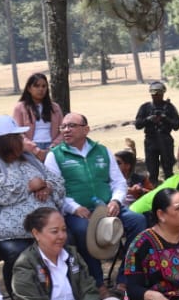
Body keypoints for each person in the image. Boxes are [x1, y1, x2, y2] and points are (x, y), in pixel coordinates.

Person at [0, 116, 65, 292]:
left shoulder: (27, 159)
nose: (22, 140)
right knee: (20, 254)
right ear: (5, 141)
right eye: (18, 137)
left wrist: (47, 187)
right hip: (5, 235)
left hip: (44, 228)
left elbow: (58, 181)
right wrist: (30, 186)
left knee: (67, 243)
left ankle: (57, 294)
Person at [46, 113, 146, 286]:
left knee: (138, 221)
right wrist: (74, 208)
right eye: (63, 127)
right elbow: (55, 191)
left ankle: (126, 278)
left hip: (108, 207)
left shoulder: (102, 151)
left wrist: (115, 201)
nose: (66, 130)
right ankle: (98, 284)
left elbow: (118, 182)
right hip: (79, 212)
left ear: (86, 129)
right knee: (84, 231)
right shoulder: (55, 156)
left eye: (72, 126)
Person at [134, 81, 179, 181]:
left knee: (168, 170)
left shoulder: (169, 107)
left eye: (158, 94)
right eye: (154, 94)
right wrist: (148, 119)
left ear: (162, 93)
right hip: (151, 141)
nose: (156, 96)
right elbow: (138, 125)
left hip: (165, 140)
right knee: (152, 171)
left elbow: (176, 125)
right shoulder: (145, 107)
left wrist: (165, 118)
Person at [10, 72, 63, 160]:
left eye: (44, 86)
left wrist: (52, 148)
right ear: (29, 88)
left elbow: (62, 130)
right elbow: (17, 133)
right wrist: (35, 150)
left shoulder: (55, 107)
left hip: (52, 147)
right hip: (30, 149)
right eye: (36, 86)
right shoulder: (20, 107)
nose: (41, 89)